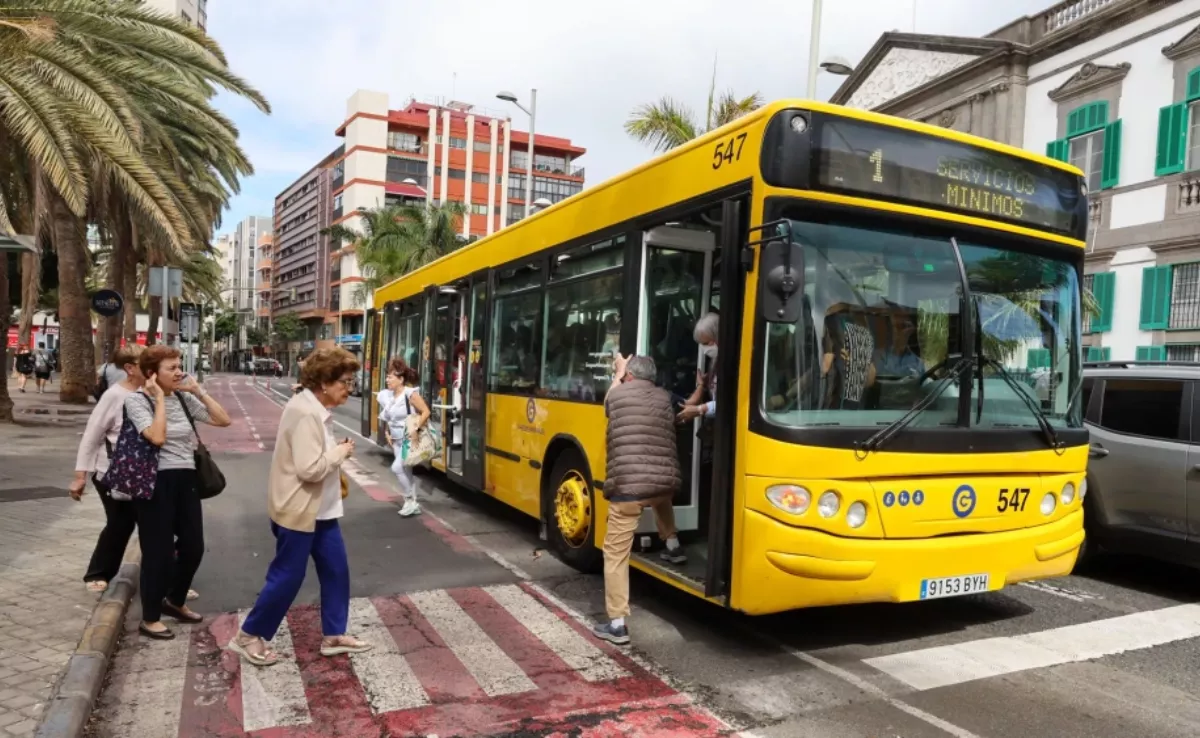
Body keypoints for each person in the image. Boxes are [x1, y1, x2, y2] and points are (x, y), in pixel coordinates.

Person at [229, 348, 370, 666]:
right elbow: (309, 469)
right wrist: (341, 452)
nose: (349, 388)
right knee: (287, 576)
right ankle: (248, 636)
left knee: (336, 570)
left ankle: (334, 634)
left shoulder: (313, 407)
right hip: (299, 510)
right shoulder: (306, 412)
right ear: (323, 382)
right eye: (344, 382)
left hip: (321, 510)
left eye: (351, 381)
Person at [125, 346, 232, 640]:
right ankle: (149, 617)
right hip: (154, 482)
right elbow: (157, 437)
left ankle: (174, 600)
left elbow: (223, 420)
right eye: (171, 368)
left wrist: (199, 392)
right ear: (151, 374)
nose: (178, 372)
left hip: (186, 479)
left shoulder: (184, 399)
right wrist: (159, 398)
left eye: (178, 366)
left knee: (193, 546)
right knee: (157, 552)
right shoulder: (136, 401)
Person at [592, 354, 683, 647]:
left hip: (628, 490)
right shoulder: (664, 397)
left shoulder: (617, 395)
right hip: (663, 486)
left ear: (630, 375)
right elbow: (684, 407)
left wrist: (617, 372)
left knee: (615, 554)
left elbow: (607, 404)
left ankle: (617, 625)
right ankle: (672, 543)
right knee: (658, 496)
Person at [377, 357, 431, 518]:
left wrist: (415, 428)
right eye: (387, 376)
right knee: (406, 470)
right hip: (396, 439)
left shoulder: (410, 394)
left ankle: (409, 500)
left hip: (408, 437)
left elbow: (426, 412)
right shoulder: (388, 396)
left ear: (400, 379)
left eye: (390, 377)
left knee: (397, 468)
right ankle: (411, 502)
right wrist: (387, 432)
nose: (387, 380)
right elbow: (388, 417)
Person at [677, 313, 719, 423]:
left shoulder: (733, 361)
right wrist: (705, 384)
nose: (705, 350)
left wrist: (700, 409)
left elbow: (730, 404)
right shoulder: (716, 361)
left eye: (707, 343)